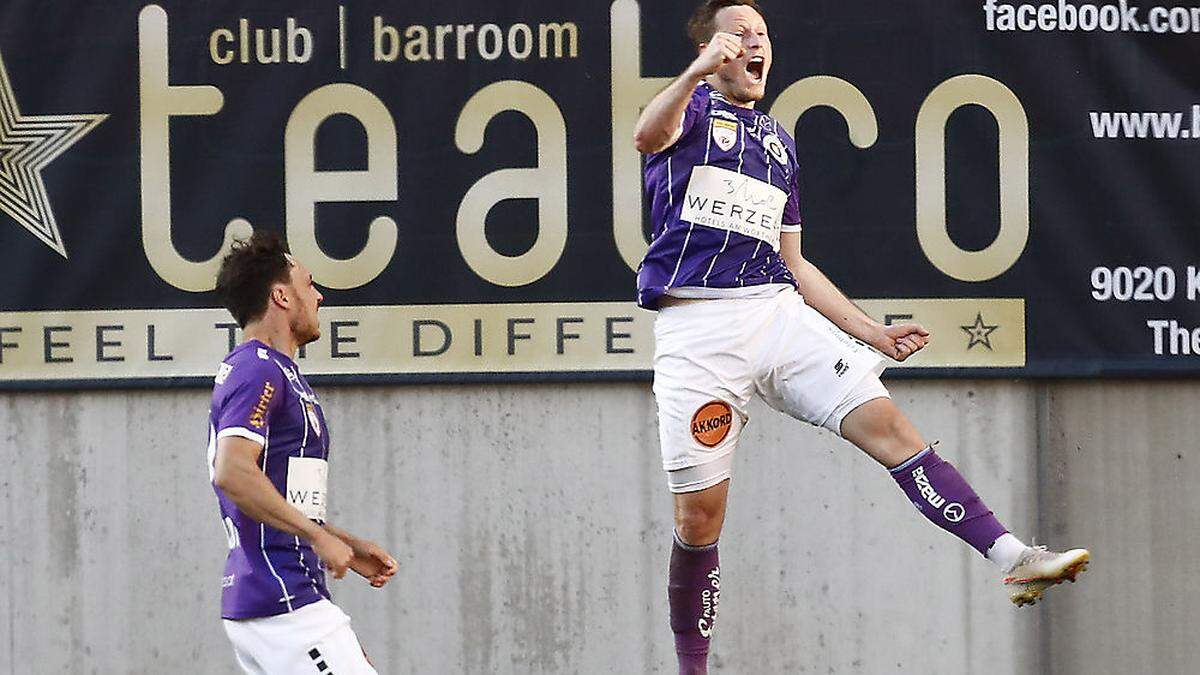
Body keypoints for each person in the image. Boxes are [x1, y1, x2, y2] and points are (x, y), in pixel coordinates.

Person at [633, 2, 1089, 672]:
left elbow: (795, 263)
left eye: (765, 36)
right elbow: (646, 135)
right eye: (743, 35)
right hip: (697, 330)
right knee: (700, 519)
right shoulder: (693, 109)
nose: (759, 45)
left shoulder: (780, 142)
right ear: (713, 50)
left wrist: (871, 330)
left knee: (893, 429)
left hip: (776, 313)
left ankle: (1014, 556)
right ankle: (691, 667)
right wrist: (697, 70)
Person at [208, 230, 397, 674]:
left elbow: (270, 491)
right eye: (308, 284)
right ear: (281, 296)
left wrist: (344, 541)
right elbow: (232, 473)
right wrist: (317, 537)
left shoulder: (276, 372)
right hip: (283, 601)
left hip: (283, 596)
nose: (320, 296)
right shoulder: (256, 369)